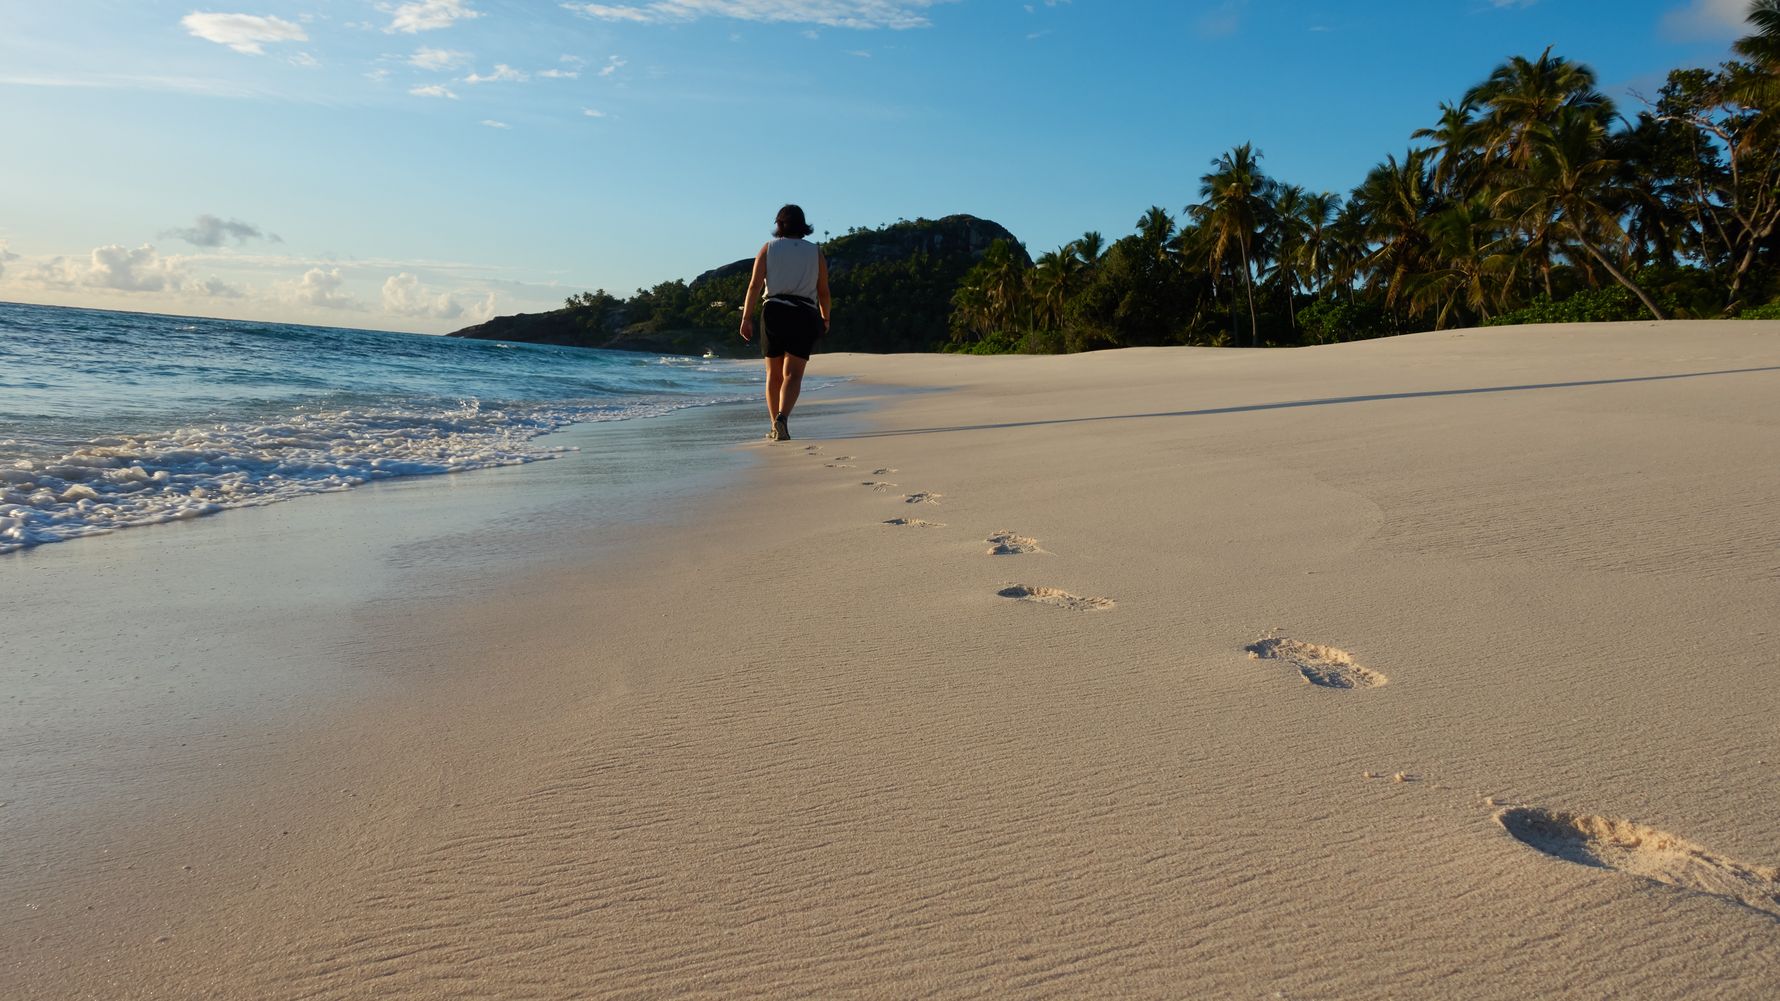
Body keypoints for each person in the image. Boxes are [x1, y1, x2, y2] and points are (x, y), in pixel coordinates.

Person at [739, 204, 830, 442]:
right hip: (804, 313)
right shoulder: (815, 252)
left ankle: (773, 425)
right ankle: (782, 418)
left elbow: (754, 285)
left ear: (779, 224)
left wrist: (746, 318)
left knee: (774, 374)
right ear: (803, 225)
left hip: (774, 311)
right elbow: (823, 291)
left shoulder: (768, 248)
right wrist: (825, 317)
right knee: (793, 374)